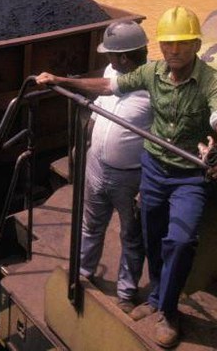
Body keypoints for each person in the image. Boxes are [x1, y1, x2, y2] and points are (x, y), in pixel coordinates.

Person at [36, 6, 217, 349]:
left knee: (181, 239)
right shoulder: (152, 74)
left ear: (197, 44)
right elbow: (108, 85)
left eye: (183, 44)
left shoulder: (211, 81)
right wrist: (60, 80)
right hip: (154, 170)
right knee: (152, 235)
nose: (175, 51)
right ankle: (156, 297)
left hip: (188, 175)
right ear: (161, 46)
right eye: (169, 44)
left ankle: (168, 311)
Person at [79, 20, 153, 314]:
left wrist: (147, 184)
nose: (106, 59)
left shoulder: (155, 86)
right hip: (96, 165)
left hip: (130, 177)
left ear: (123, 56)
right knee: (91, 224)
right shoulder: (112, 71)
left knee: (132, 237)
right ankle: (83, 272)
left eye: (110, 54)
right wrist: (86, 144)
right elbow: (99, 105)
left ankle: (126, 291)